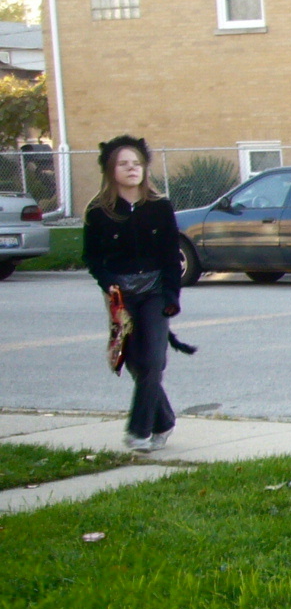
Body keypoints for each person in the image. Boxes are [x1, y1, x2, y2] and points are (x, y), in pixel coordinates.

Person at [82, 136, 184, 451]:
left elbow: (171, 257)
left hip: (155, 293)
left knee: (153, 360)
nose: (131, 169)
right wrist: (108, 282)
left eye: (137, 163)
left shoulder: (160, 207)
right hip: (121, 298)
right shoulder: (98, 211)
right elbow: (92, 259)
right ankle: (164, 421)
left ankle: (139, 430)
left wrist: (171, 297)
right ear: (111, 170)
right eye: (124, 164)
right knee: (136, 364)